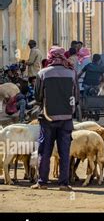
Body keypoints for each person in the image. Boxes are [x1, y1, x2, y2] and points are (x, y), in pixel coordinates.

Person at [31, 46, 78, 191]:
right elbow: (76, 98)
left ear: (50, 57)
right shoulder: (71, 73)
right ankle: (64, 183)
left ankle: (42, 182)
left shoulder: (42, 73)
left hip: (47, 118)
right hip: (66, 119)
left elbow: (37, 97)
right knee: (64, 151)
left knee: (45, 151)